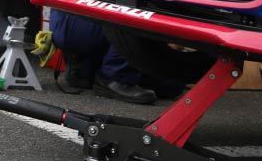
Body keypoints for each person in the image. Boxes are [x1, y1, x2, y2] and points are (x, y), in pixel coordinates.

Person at [49, 9, 183, 105]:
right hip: (90, 21)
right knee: (140, 7)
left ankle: (83, 68)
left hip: (64, 21)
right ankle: (116, 76)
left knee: (173, 85)